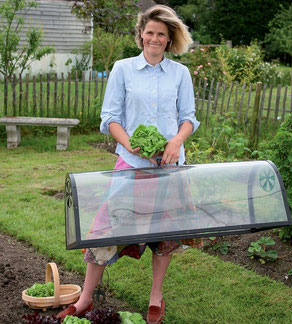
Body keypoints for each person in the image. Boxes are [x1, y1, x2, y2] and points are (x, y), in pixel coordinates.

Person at [57, 5, 202, 324]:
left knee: (165, 235)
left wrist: (176, 141)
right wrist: (130, 144)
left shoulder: (180, 73)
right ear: (140, 35)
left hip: (169, 167)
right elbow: (110, 118)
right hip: (131, 164)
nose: (154, 38)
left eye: (161, 34)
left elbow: (188, 118)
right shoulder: (122, 69)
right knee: (104, 229)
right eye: (149, 32)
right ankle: (84, 299)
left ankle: (155, 298)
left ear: (169, 39)